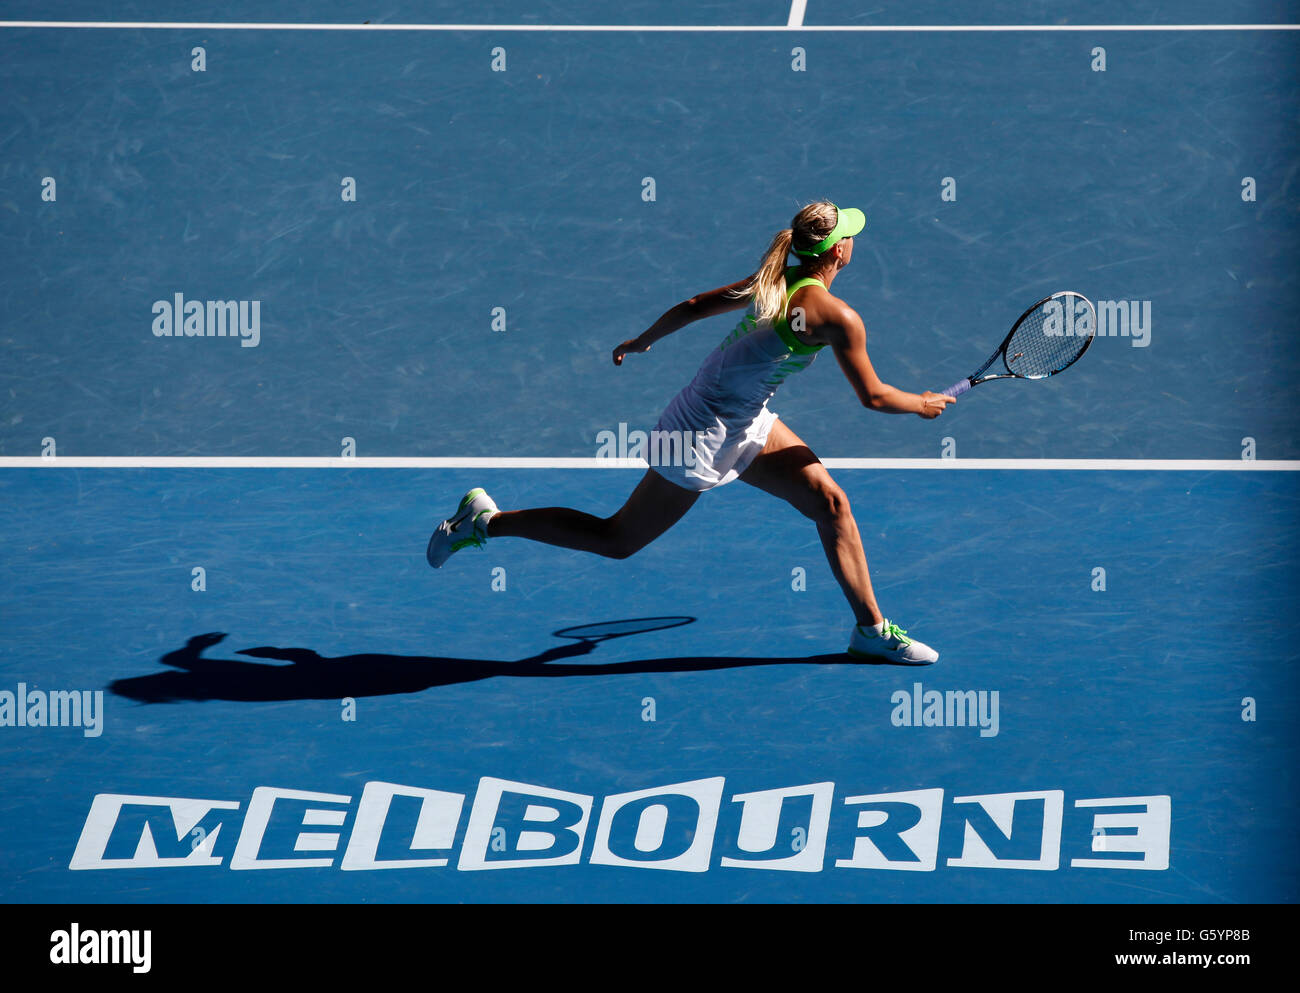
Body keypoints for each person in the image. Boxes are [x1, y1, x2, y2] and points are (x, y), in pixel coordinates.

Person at [427, 201, 954, 663]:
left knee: (831, 504)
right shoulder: (837, 315)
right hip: (700, 429)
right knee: (618, 539)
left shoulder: (772, 281)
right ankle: (484, 522)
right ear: (838, 252)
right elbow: (874, 396)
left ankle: (871, 631)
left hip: (745, 417)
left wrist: (643, 339)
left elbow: (696, 306)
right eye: (850, 234)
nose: (854, 240)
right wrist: (922, 404)